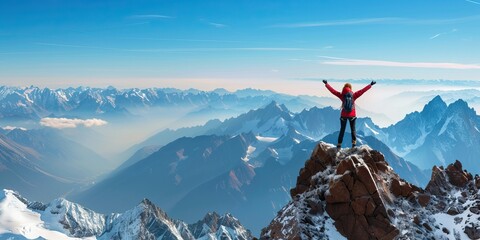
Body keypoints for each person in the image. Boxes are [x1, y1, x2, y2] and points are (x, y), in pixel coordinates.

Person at [322, 80, 376, 149]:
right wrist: (370, 85)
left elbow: (333, 91)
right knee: (353, 130)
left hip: (343, 115)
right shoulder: (353, 95)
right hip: (352, 115)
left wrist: (326, 84)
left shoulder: (342, 95)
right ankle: (353, 145)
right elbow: (362, 91)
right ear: (350, 88)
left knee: (342, 130)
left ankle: (339, 144)